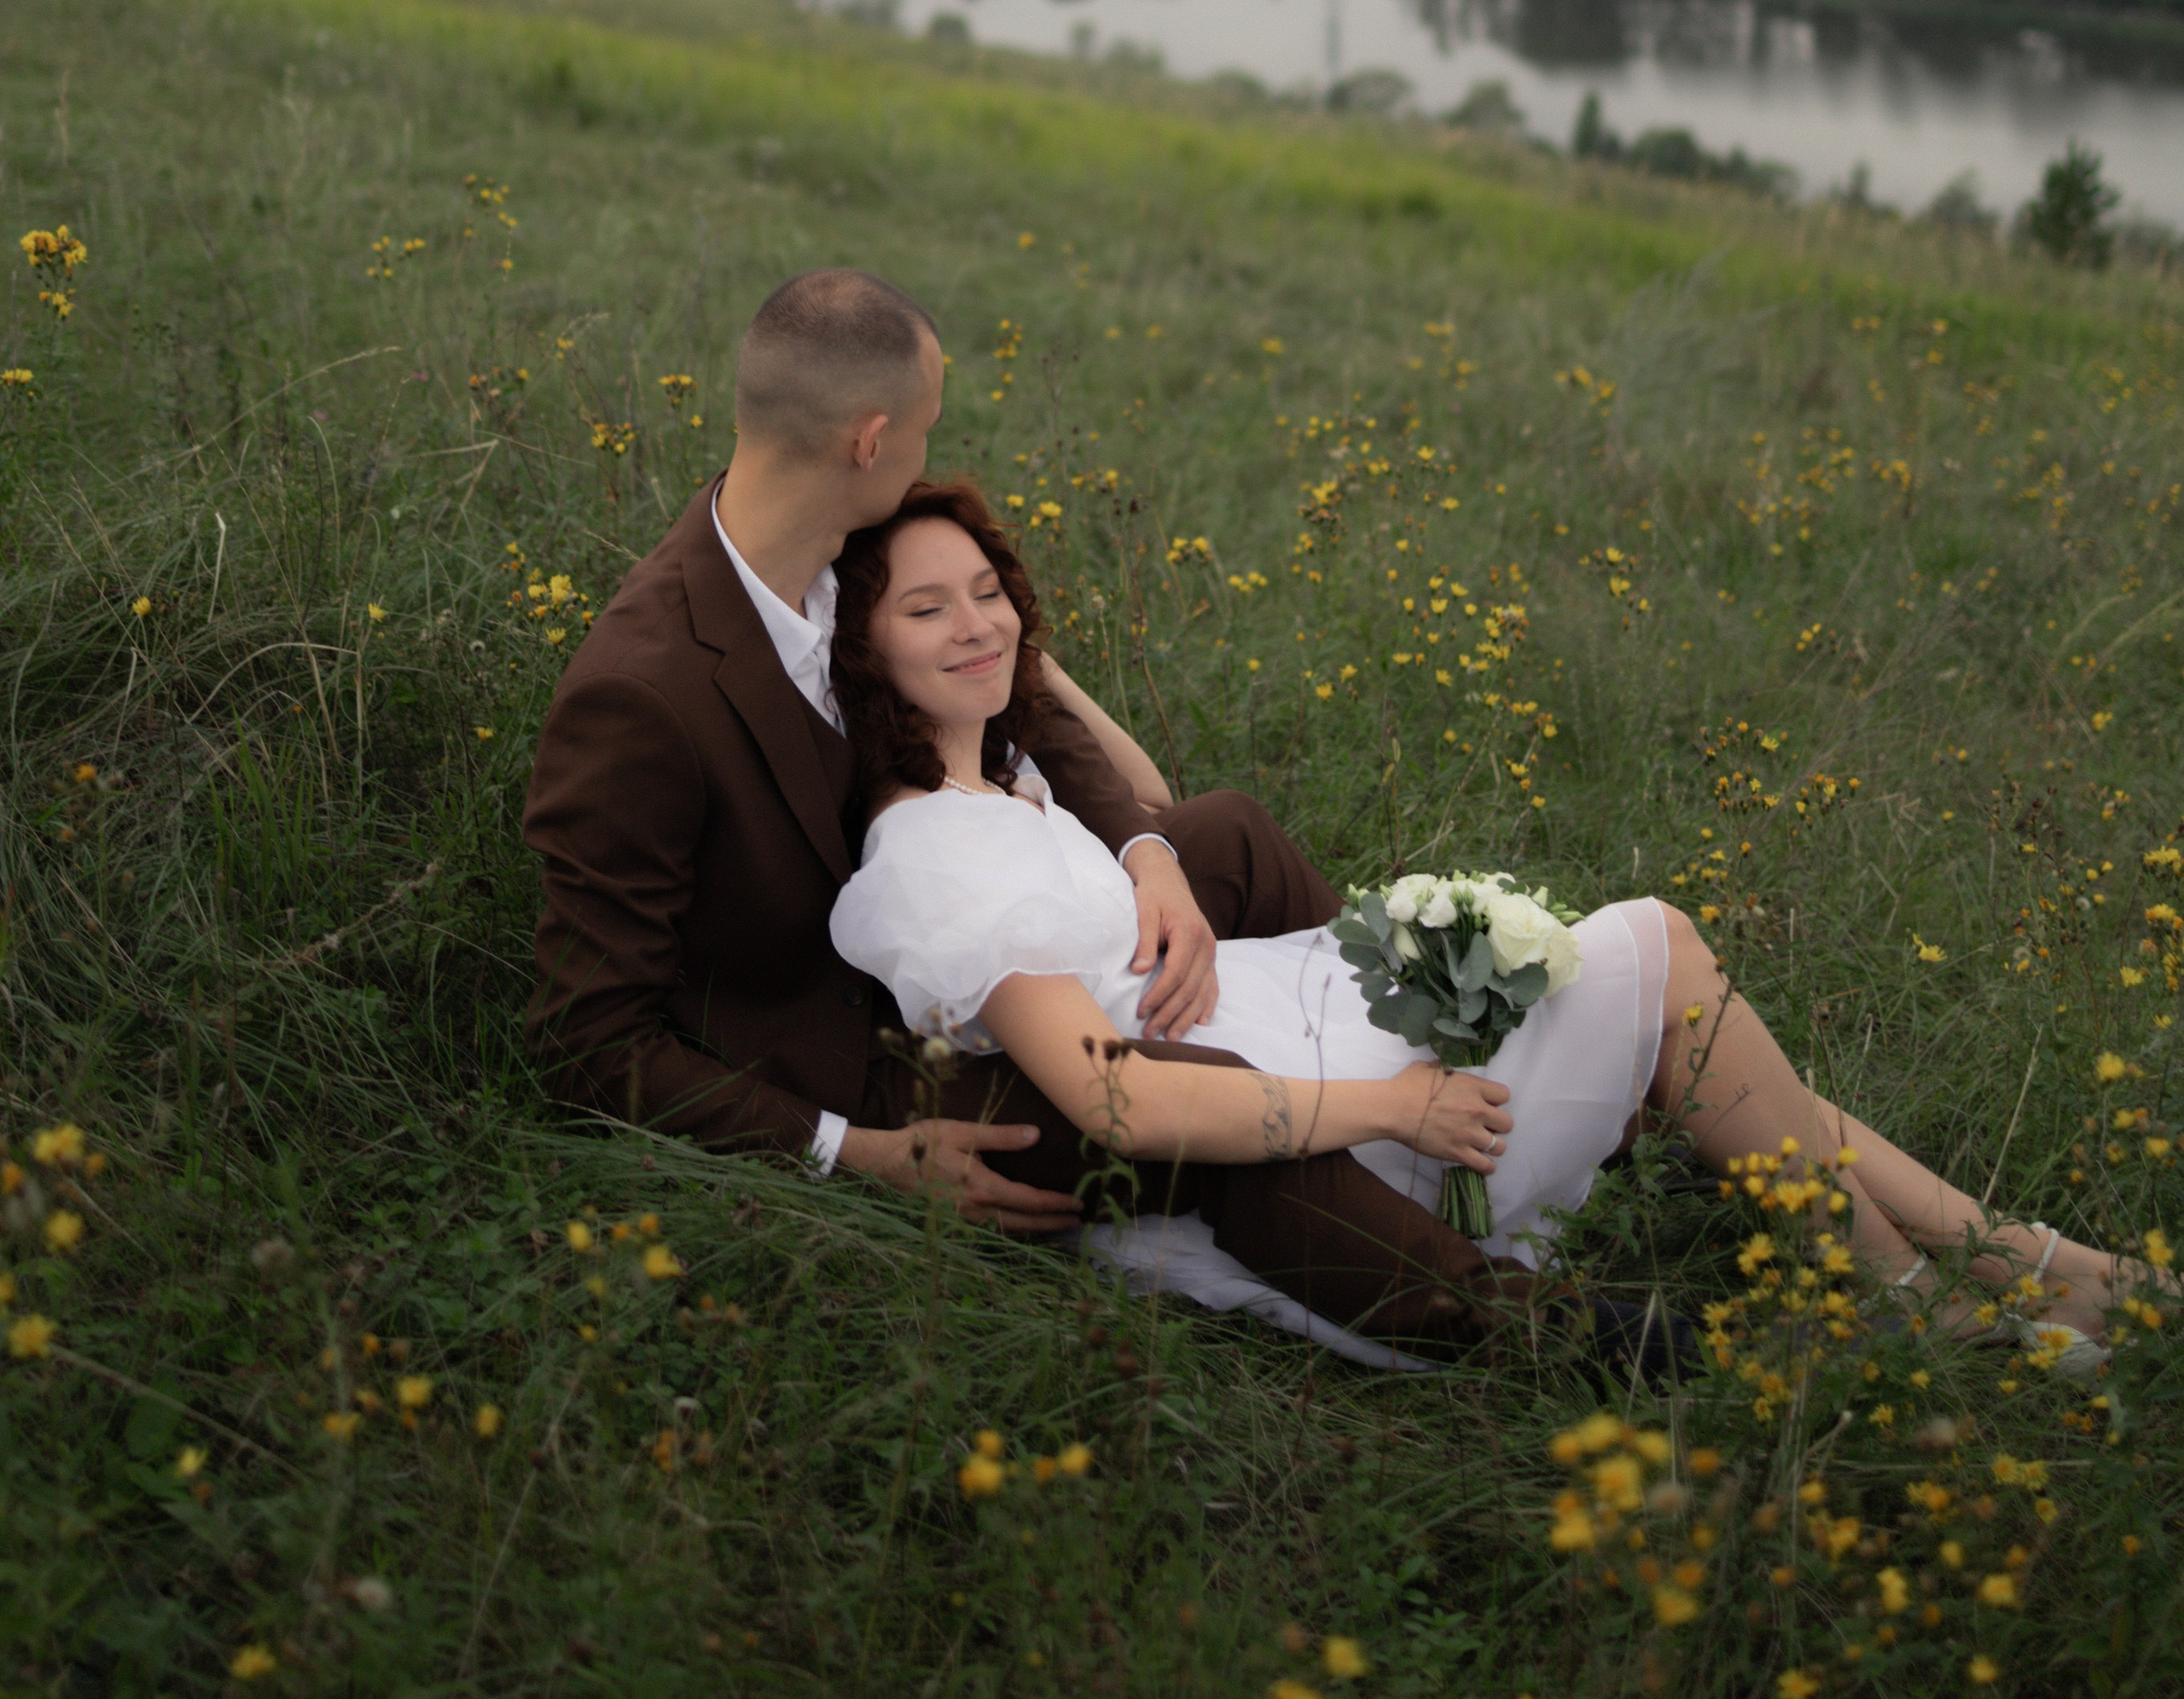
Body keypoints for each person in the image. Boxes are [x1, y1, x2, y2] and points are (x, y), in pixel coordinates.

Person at [828, 477, 2146, 1375]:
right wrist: (1397, 1108)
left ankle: (2031, 1262)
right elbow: (1113, 1104)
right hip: (1320, 1147)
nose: (978, 623)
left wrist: (1045, 684)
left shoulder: (1006, 782)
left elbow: (1152, 803)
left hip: (1318, 1047)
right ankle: (1918, 1307)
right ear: (863, 652)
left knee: (1690, 1033)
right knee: (1661, 966)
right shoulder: (932, 857)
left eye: (988, 589)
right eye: (927, 609)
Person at [526, 266, 1531, 1350]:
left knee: (1223, 836)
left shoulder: (832, 541)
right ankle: (1520, 1322)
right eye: (926, 428)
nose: (928, 450)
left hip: (976, 918)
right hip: (859, 1046)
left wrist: (1147, 853)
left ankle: (1438, 1073)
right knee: (1176, 1108)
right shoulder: (641, 693)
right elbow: (587, 1037)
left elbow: (1014, 690)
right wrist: (856, 1152)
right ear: (868, 440)